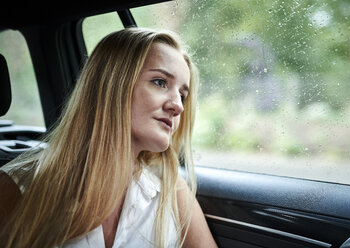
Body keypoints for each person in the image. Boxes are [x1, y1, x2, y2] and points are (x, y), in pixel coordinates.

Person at [0, 28, 218, 248]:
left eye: (182, 95)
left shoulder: (170, 190)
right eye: (160, 82)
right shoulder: (19, 188)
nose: (178, 106)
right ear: (112, 84)